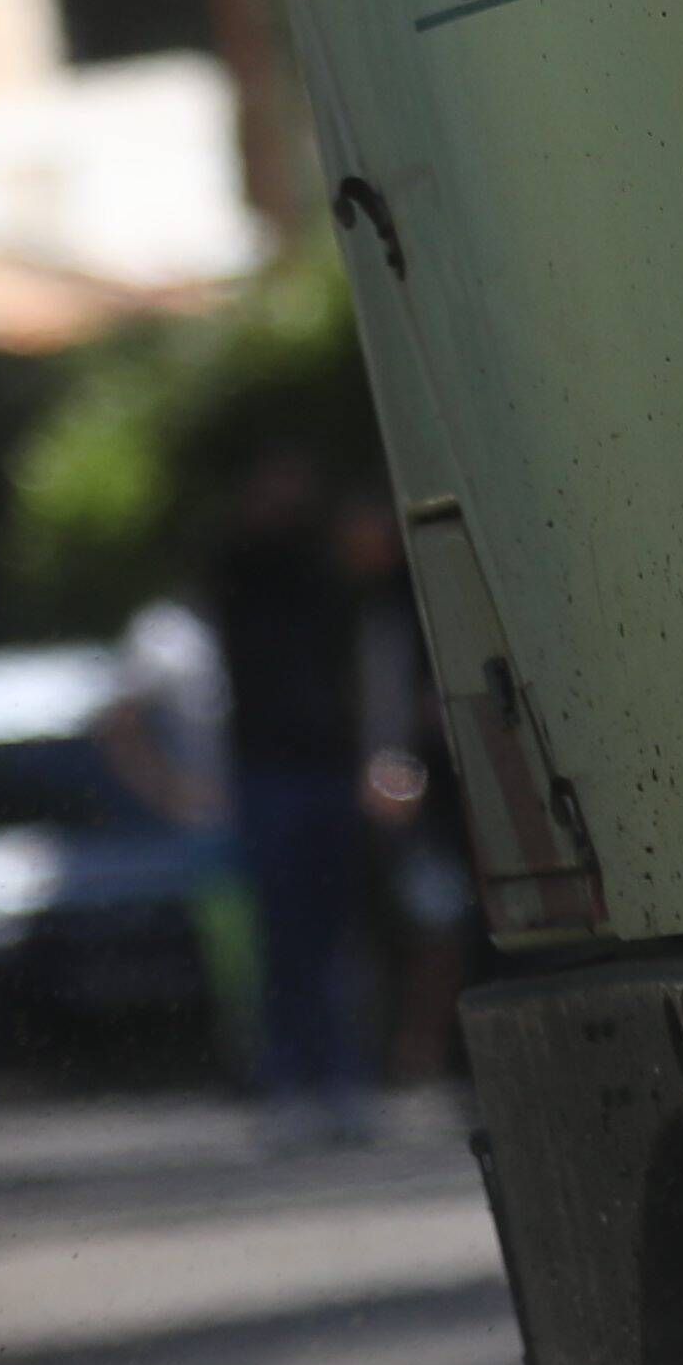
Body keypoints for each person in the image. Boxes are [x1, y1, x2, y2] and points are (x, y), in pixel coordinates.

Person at [198, 444, 381, 1147]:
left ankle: (338, 1079)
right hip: (270, 771)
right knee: (284, 935)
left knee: (334, 935)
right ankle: (289, 1080)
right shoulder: (240, 568)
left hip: (325, 768)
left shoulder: (323, 571)